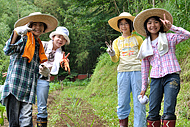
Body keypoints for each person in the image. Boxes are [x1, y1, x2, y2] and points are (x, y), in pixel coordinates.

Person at [133, 8, 190, 127]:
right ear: (145, 26)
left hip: (171, 76)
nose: (153, 25)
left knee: (169, 109)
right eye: (149, 23)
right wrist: (144, 86)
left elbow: (187, 35)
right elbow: (145, 67)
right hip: (155, 79)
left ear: (160, 24)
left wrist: (171, 27)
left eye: (156, 22)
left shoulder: (169, 37)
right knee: (153, 111)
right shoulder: (145, 45)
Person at [1, 12, 58, 127]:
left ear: (44, 29)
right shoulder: (24, 39)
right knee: (14, 123)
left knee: (26, 123)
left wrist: (44, 73)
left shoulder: (38, 45)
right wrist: (16, 33)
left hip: (29, 90)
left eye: (40, 25)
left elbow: (32, 69)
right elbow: (7, 50)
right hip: (15, 87)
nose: (37, 27)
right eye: (34, 24)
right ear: (28, 26)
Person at [106, 12, 146, 127]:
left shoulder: (138, 39)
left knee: (139, 101)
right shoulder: (116, 41)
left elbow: (143, 57)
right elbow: (115, 59)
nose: (124, 26)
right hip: (123, 72)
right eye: (121, 24)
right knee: (122, 101)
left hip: (137, 71)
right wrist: (112, 54)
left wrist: (145, 74)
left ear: (131, 25)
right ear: (119, 27)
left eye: (126, 23)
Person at [36, 26, 70, 127]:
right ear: (53, 37)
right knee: (26, 105)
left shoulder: (61, 55)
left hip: (43, 79)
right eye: (59, 37)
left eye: (64, 39)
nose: (61, 40)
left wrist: (62, 63)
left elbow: (54, 69)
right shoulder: (42, 44)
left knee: (42, 107)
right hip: (31, 76)